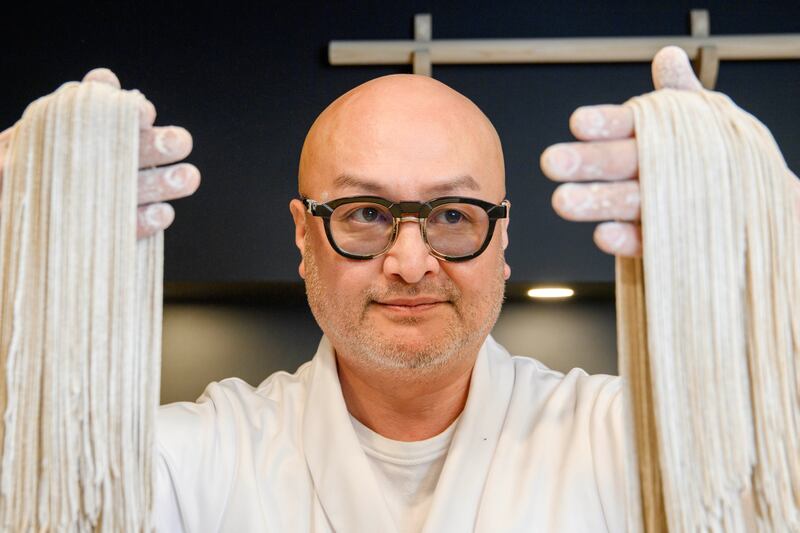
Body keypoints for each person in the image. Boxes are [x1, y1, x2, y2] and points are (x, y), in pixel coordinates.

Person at [0, 47, 794, 532]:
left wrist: (777, 250)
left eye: (453, 213)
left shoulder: (634, 446)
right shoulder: (186, 462)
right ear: (305, 236)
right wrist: (19, 261)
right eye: (367, 212)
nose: (411, 260)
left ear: (503, 238)